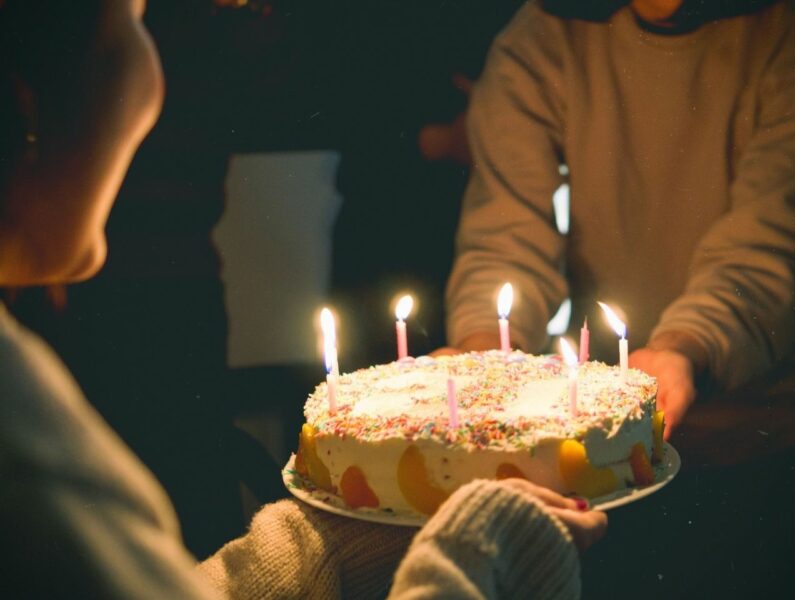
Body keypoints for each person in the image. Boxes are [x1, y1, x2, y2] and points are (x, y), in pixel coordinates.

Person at [0, 1, 606, 597]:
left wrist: (338, 541)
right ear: (25, 91)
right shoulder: (22, 445)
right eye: (133, 21)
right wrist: (474, 551)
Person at [441, 0, 795, 439]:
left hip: (757, 420)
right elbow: (506, 235)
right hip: (599, 417)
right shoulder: (541, 37)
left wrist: (686, 347)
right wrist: (485, 353)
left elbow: (768, 245)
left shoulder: (784, 33)